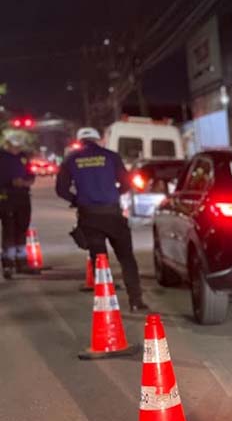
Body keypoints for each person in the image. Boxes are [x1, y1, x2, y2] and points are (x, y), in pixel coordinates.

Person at [56, 127, 149, 311]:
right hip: (113, 214)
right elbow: (126, 183)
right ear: (98, 140)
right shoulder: (111, 156)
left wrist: (77, 200)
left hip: (89, 216)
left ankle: (106, 303)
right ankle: (136, 301)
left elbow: (61, 189)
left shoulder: (71, 159)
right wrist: (113, 193)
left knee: (99, 260)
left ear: (80, 141)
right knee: (127, 258)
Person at [0, 130, 36, 279]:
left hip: (23, 196)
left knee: (22, 227)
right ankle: (8, 263)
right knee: (9, 229)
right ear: (8, 144)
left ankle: (22, 262)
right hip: (6, 197)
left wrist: (28, 181)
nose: (18, 148)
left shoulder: (23, 157)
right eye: (15, 146)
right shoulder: (1, 157)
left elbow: (30, 173)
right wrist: (10, 182)